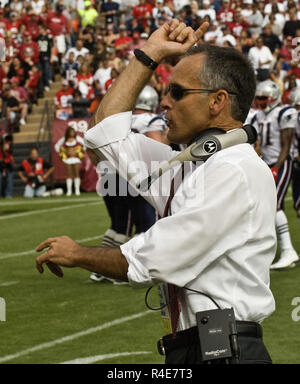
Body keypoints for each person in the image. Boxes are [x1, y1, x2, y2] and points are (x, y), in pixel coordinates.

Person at [36, 19, 276, 364]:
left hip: (226, 352)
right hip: (202, 349)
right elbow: (105, 133)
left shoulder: (232, 170)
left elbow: (152, 259)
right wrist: (150, 53)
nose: (165, 102)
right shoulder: (195, 165)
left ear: (218, 101)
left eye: (177, 92)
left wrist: (78, 254)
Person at [252, 80, 299, 269]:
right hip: (265, 164)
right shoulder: (257, 116)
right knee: (265, 206)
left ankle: (288, 251)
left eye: (264, 98)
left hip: (281, 162)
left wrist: (276, 167)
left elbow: (285, 145)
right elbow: (255, 143)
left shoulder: (284, 113)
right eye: (259, 98)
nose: (261, 102)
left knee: (275, 205)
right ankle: (271, 250)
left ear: (274, 97)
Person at [54, 126, 85, 196]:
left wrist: (78, 152)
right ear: (68, 132)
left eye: (73, 132)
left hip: (76, 158)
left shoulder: (77, 138)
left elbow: (85, 144)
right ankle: (69, 191)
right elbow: (56, 146)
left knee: (77, 174)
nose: (72, 133)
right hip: (68, 159)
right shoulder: (64, 139)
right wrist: (64, 152)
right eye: (71, 132)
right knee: (69, 174)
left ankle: (77, 190)